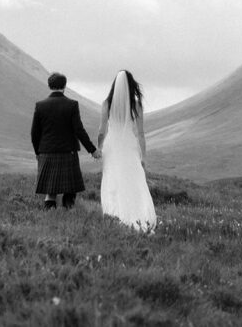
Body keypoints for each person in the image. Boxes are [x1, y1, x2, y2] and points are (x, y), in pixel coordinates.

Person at [97, 70, 156, 232]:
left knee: (113, 180)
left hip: (112, 147)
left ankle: (113, 215)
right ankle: (138, 216)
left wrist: (99, 147)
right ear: (131, 85)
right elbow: (141, 133)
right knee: (133, 180)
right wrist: (143, 156)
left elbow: (102, 131)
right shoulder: (136, 105)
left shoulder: (107, 104)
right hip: (129, 146)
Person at [31, 72, 100, 209]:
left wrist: (37, 153)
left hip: (46, 153)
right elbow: (79, 130)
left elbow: (34, 133)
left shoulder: (40, 105)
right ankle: (68, 213)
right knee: (70, 189)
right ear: (65, 86)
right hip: (68, 153)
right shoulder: (72, 105)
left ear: (49, 85)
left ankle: (50, 217)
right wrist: (92, 150)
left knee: (50, 192)